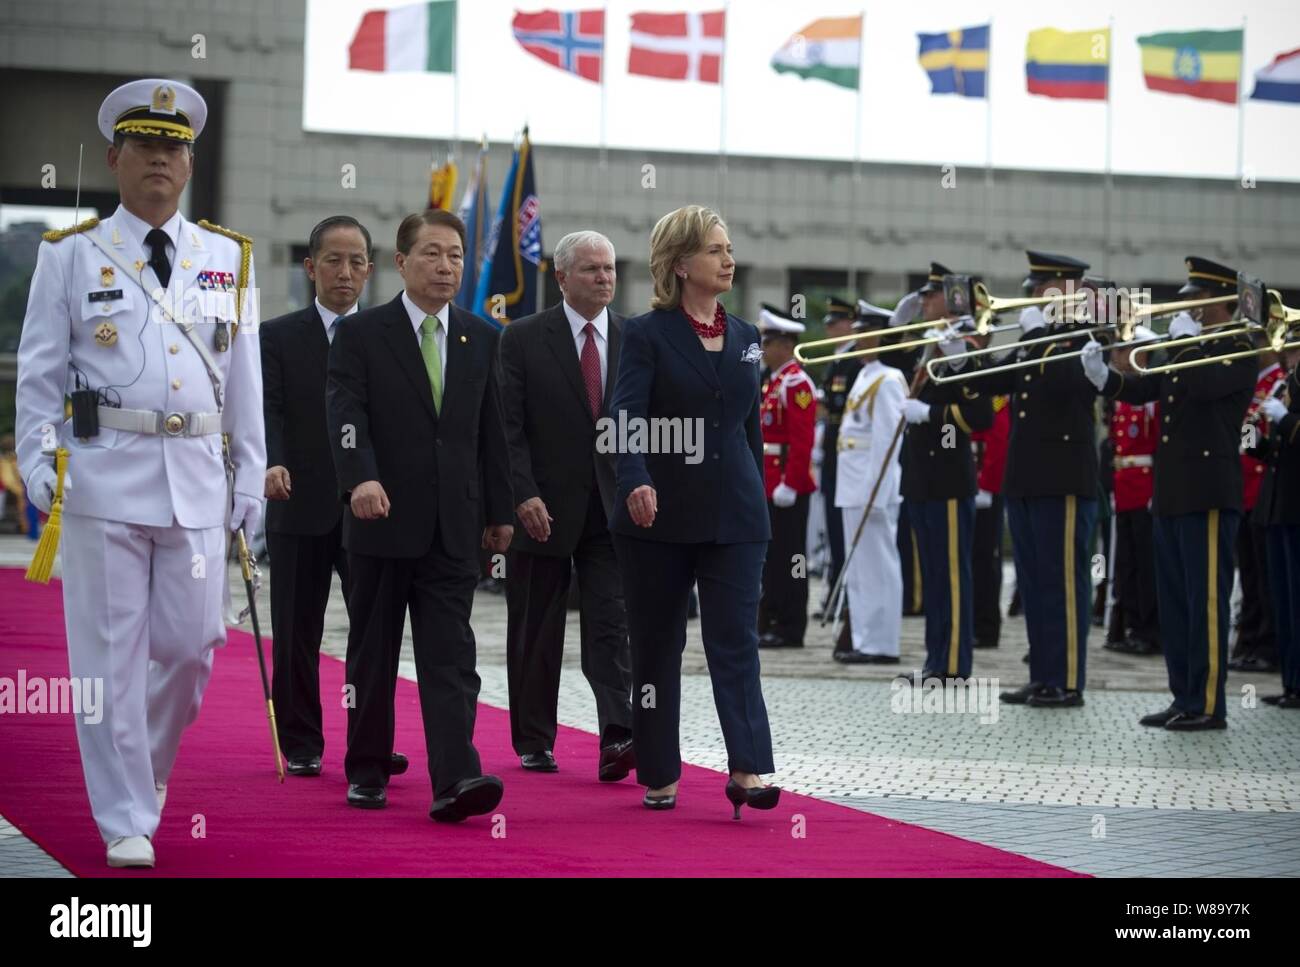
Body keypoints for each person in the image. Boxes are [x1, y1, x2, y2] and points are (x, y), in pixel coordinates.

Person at [15, 78, 265, 868]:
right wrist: (34, 455)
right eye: (146, 145)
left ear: (189, 165)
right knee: (110, 655)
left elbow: (245, 383)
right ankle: (124, 815)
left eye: (176, 147)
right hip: (103, 475)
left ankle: (144, 775)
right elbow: (39, 373)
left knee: (193, 647)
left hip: (194, 476)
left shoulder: (227, 257)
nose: (162, 157)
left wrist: (251, 479)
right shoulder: (72, 255)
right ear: (116, 157)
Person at [326, 209, 512, 817]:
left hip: (453, 527)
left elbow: (492, 433)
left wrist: (500, 510)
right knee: (373, 653)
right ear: (402, 263)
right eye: (432, 253)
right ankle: (368, 768)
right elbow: (345, 415)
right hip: (380, 520)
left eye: (456, 255)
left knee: (451, 656)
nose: (446, 265)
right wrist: (361, 478)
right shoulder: (361, 335)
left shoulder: (483, 337)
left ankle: (456, 778)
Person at [609, 204, 779, 818]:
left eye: (728, 248)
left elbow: (750, 431)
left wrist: (759, 499)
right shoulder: (646, 335)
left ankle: (748, 768)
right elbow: (624, 414)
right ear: (681, 265)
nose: (728, 259)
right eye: (714, 249)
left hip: (735, 517)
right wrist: (634, 477)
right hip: (657, 518)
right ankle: (658, 770)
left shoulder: (747, 338)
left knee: (735, 642)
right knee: (657, 646)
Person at [1082, 257, 1256, 730]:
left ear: (1218, 301)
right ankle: (1183, 694)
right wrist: (1106, 378)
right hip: (1172, 492)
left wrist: (1180, 340)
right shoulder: (1190, 348)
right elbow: (1147, 389)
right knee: (1177, 601)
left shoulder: (1238, 347)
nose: (1187, 306)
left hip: (1209, 491)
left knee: (1206, 603)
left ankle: (1208, 704)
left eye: (1195, 298)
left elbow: (1202, 387)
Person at [497, 230, 635, 778]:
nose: (604, 278)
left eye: (609, 270)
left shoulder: (633, 338)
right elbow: (507, 427)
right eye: (591, 270)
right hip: (543, 508)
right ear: (561, 277)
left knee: (610, 624)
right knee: (536, 626)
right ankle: (534, 738)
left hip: (613, 509)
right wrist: (522, 493)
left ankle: (618, 736)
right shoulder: (524, 338)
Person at [262, 215, 389, 778]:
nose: (345, 272)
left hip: (370, 510)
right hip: (297, 501)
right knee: (296, 633)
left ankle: (369, 742)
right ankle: (302, 741)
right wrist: (270, 461)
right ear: (310, 268)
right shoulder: (276, 336)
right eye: (333, 261)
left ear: (371, 268)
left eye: (356, 261)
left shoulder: (388, 336)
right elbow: (267, 412)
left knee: (373, 635)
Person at [983, 252, 1100, 709]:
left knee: (1065, 580)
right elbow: (1000, 380)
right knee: (1035, 582)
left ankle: (1067, 680)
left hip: (1064, 476)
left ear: (1068, 289)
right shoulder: (1039, 337)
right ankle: (1043, 675)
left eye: (1041, 288)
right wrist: (957, 358)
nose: (1033, 296)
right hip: (1028, 476)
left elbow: (1068, 381)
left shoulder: (1085, 333)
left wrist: (1033, 334)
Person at [897, 270, 992, 682]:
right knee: (935, 576)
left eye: (932, 295)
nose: (925, 302)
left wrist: (930, 414)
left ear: (953, 300)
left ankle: (954, 663)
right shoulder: (932, 345)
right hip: (922, 479)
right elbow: (889, 358)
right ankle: (937, 659)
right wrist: (895, 325)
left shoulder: (965, 348)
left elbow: (980, 415)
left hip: (949, 480)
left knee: (952, 575)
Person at [832, 303, 907, 664]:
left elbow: (887, 441)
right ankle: (863, 637)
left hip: (871, 485)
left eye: (866, 333)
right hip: (852, 483)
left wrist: (879, 490)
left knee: (878, 563)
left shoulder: (889, 379)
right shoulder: (864, 375)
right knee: (860, 566)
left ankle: (881, 642)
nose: (858, 339)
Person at [755, 304, 817, 649]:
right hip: (771, 481)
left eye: (768, 342)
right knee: (773, 558)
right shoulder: (774, 382)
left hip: (786, 485)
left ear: (784, 344)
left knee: (791, 559)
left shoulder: (796, 383)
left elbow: (802, 440)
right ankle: (773, 618)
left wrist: (790, 484)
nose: (764, 350)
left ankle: (790, 625)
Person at [1102, 330, 1161, 656]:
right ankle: (1132, 625)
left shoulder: (1151, 394)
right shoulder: (1123, 394)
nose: (1117, 354)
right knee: (1127, 563)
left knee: (1147, 563)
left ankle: (1148, 630)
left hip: (1146, 487)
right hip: (1125, 487)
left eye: (1124, 349)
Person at [1229, 351, 1286, 672]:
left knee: (1265, 577)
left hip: (1263, 490)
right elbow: (1250, 438)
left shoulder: (1277, 383)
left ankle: (1267, 645)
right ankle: (1249, 641)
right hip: (1245, 490)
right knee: (1249, 575)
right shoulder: (1256, 384)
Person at [1251, 345, 1300, 707]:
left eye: (1297, 351)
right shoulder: (1287, 385)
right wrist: (1250, 435)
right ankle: (1290, 682)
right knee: (1282, 600)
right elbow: (1275, 454)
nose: (1289, 359)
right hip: (1278, 506)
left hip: (1296, 507)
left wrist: (1284, 418)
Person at [815, 295, 862, 624]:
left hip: (848, 452)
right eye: (829, 323)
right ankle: (836, 589)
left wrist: (827, 407)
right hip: (833, 453)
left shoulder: (855, 362)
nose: (831, 328)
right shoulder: (836, 361)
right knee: (834, 529)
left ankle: (845, 595)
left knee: (844, 529)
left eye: (836, 322)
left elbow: (843, 406)